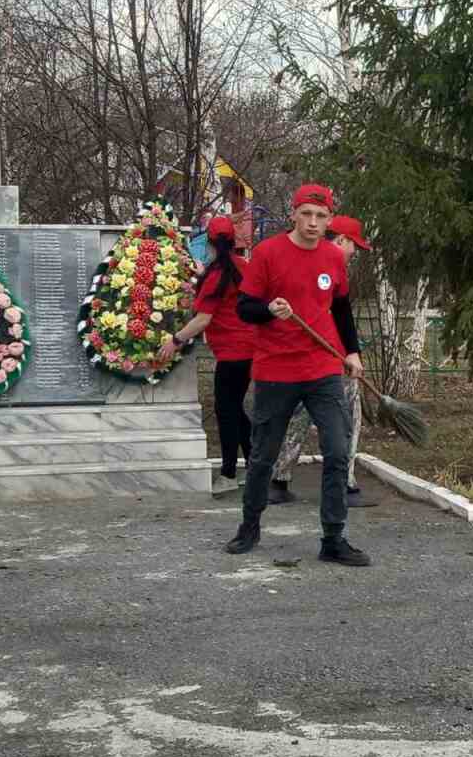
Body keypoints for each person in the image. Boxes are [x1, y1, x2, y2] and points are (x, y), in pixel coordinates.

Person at [226, 183, 370, 565]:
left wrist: (351, 352)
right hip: (276, 369)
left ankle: (333, 538)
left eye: (321, 217)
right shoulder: (268, 254)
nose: (312, 222)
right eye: (306, 214)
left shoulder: (333, 258)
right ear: (293, 214)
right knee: (263, 456)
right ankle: (249, 526)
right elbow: (244, 309)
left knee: (338, 451)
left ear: (329, 221)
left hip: (323, 368)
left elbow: (341, 310)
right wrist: (269, 310)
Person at [269, 215, 373, 508]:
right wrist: (351, 353)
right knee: (348, 419)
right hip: (332, 360)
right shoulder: (331, 265)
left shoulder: (304, 258)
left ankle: (278, 479)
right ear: (341, 240)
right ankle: (346, 484)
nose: (354, 254)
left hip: (305, 358)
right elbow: (339, 315)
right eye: (354, 246)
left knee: (299, 416)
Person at [157, 215, 255, 496]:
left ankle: (228, 474)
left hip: (232, 353)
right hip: (249, 349)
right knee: (235, 409)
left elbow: (203, 319)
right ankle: (254, 465)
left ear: (209, 243)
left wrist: (174, 340)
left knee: (227, 411)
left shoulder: (217, 275)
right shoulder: (241, 266)